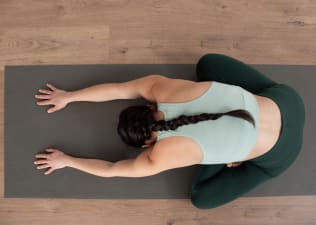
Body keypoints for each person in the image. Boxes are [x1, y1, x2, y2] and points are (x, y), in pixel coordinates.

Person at [34, 53, 305, 209]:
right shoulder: (159, 87)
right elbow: (117, 89)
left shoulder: (158, 157)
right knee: (207, 65)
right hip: (289, 101)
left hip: (282, 154)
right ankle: (237, 143)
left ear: (145, 145)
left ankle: (235, 156)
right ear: (148, 105)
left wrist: (66, 161)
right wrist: (69, 96)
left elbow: (111, 169)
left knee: (202, 199)